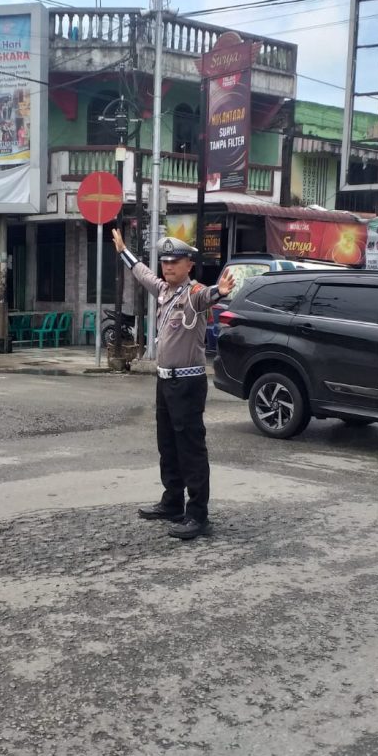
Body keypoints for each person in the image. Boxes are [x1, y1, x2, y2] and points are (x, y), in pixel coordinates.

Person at [111, 229, 236, 540]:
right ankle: (172, 502)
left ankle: (198, 515)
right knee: (167, 444)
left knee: (190, 448)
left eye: (175, 262)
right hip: (165, 381)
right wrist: (124, 251)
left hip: (188, 383)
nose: (168, 268)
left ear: (188, 265)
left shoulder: (193, 295)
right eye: (165, 262)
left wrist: (219, 291)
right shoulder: (165, 290)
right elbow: (142, 274)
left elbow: (208, 295)